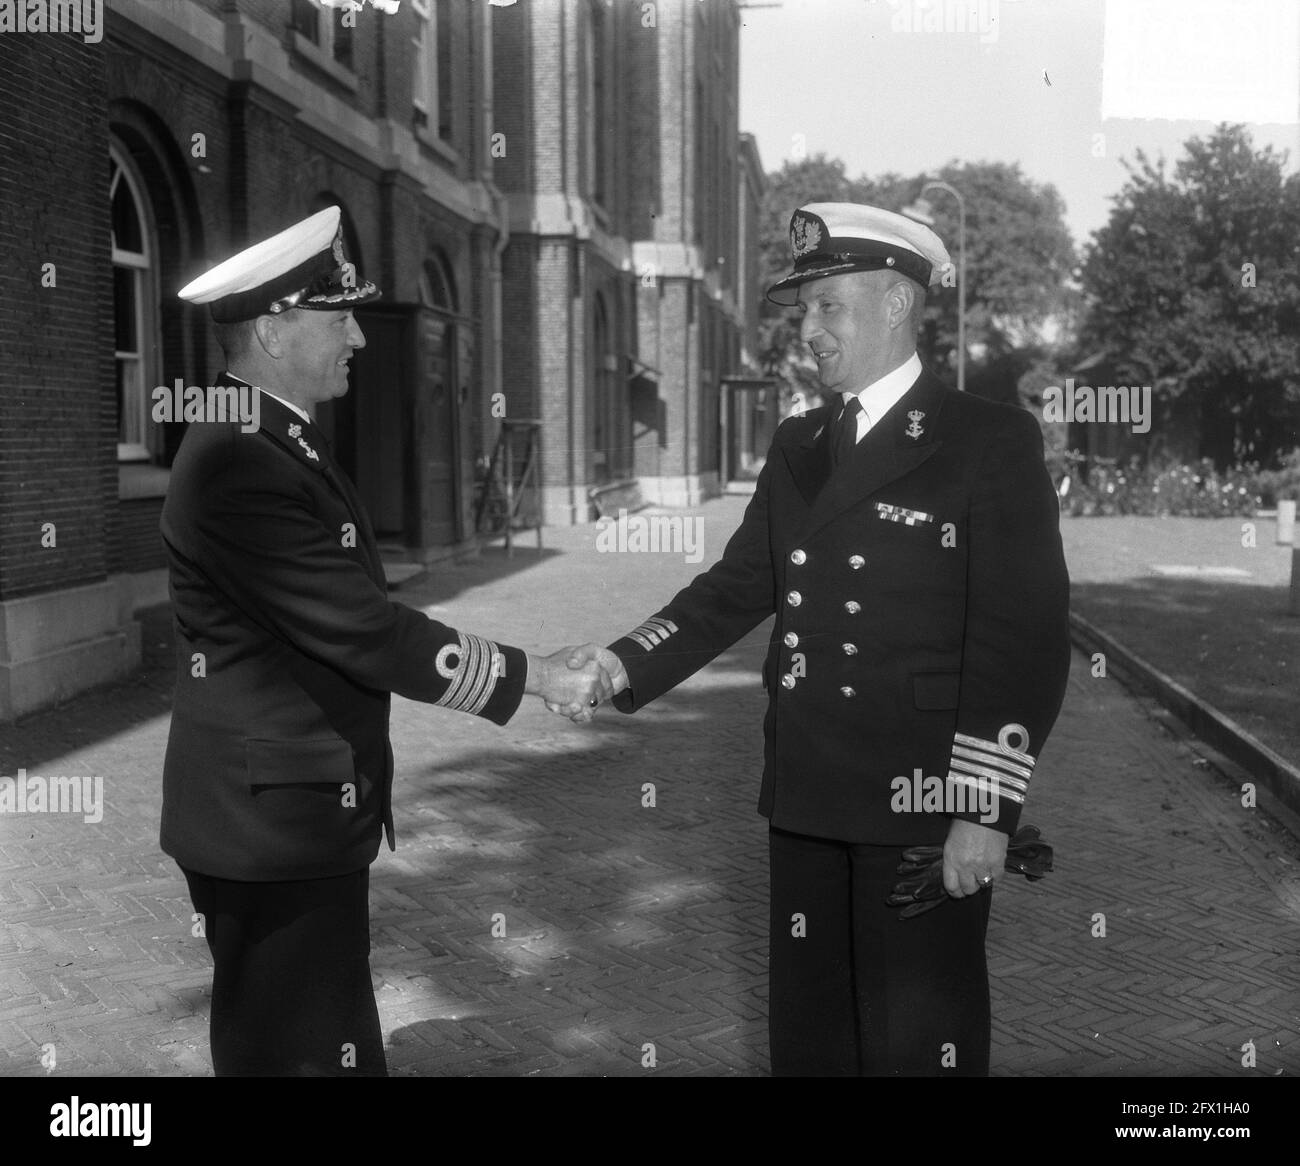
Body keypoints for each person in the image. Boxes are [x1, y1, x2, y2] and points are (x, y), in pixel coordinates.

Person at [571, 203, 1071, 1076]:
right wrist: (619, 663)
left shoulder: (986, 440)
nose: (808, 331)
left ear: (896, 305)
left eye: (828, 306)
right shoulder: (801, 440)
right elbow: (734, 590)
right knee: (811, 1040)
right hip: (805, 792)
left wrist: (983, 810)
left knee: (919, 1039)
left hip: (921, 803)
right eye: (805, 311)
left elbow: (1021, 641)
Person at [163, 206, 612, 1076]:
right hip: (273, 828)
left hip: (286, 815)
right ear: (271, 328)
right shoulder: (239, 460)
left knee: (309, 1033)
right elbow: (365, 626)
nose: (359, 339)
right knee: (294, 1045)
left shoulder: (270, 438)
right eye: (339, 318)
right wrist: (533, 678)